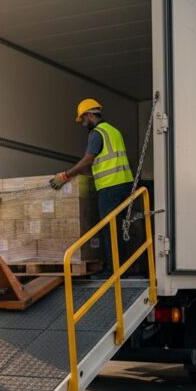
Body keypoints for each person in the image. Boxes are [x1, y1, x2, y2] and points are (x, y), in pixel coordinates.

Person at [49, 99, 134, 278]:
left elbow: (88, 160)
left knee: (109, 229)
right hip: (125, 185)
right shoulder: (114, 131)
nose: (82, 123)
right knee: (120, 227)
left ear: (89, 114)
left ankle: (112, 271)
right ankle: (124, 269)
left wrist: (65, 175)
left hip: (110, 187)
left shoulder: (96, 133)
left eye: (82, 119)